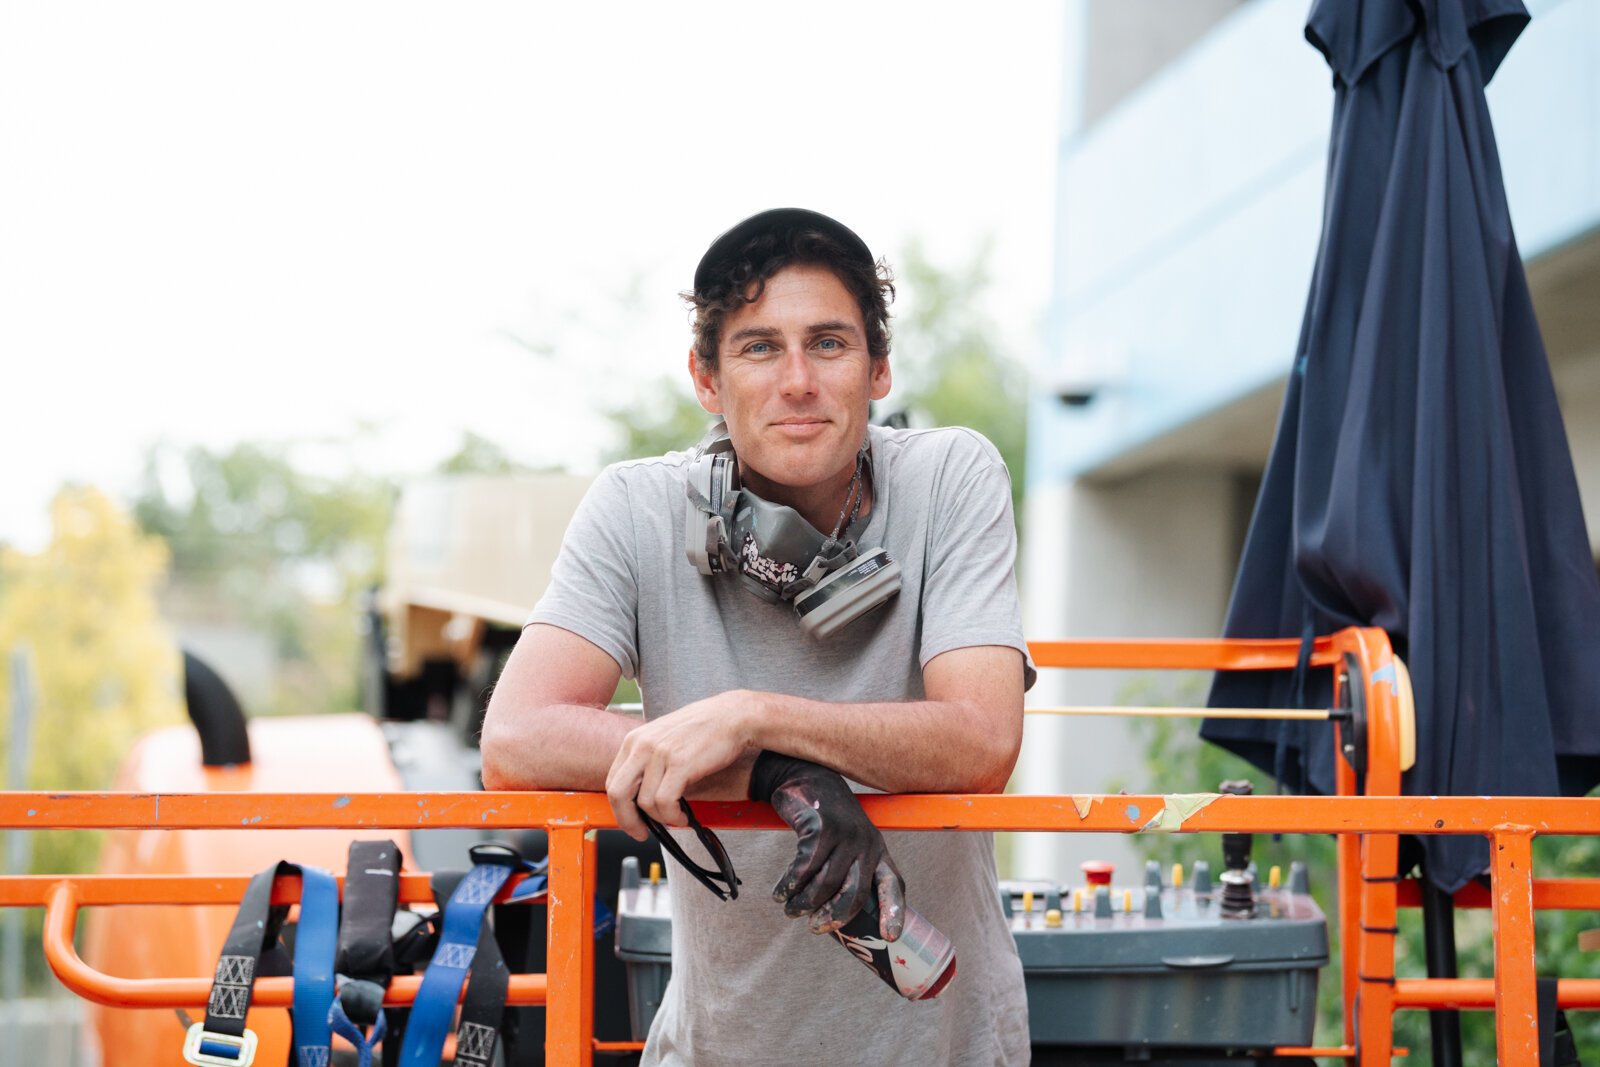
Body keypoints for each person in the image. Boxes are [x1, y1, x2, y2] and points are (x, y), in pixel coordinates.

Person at [481, 207, 1033, 1066]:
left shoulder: (952, 477)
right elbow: (515, 739)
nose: (799, 380)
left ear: (879, 368)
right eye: (759, 347)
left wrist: (753, 718)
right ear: (707, 379)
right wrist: (784, 774)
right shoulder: (637, 507)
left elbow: (984, 741)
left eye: (830, 343)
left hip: (944, 1048)